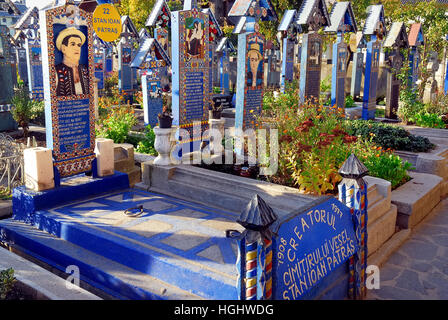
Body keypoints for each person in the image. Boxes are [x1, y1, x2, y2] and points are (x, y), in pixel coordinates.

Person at [55, 27, 89, 97]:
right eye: (73, 44)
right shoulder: (56, 71)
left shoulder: (85, 69)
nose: (77, 48)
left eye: (79, 45)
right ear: (64, 48)